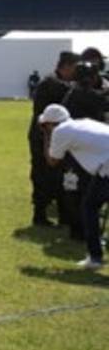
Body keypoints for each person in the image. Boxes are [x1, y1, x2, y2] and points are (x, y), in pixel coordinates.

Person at [40, 104, 109, 270]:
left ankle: (95, 257)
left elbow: (52, 160)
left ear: (50, 123)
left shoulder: (60, 131)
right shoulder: (82, 123)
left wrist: (46, 137)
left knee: (89, 207)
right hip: (104, 167)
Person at [28, 51, 79, 227]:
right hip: (43, 134)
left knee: (57, 176)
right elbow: (69, 93)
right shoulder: (51, 83)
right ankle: (40, 214)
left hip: (52, 134)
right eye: (75, 68)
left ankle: (59, 214)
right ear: (66, 66)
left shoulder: (56, 82)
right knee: (43, 175)